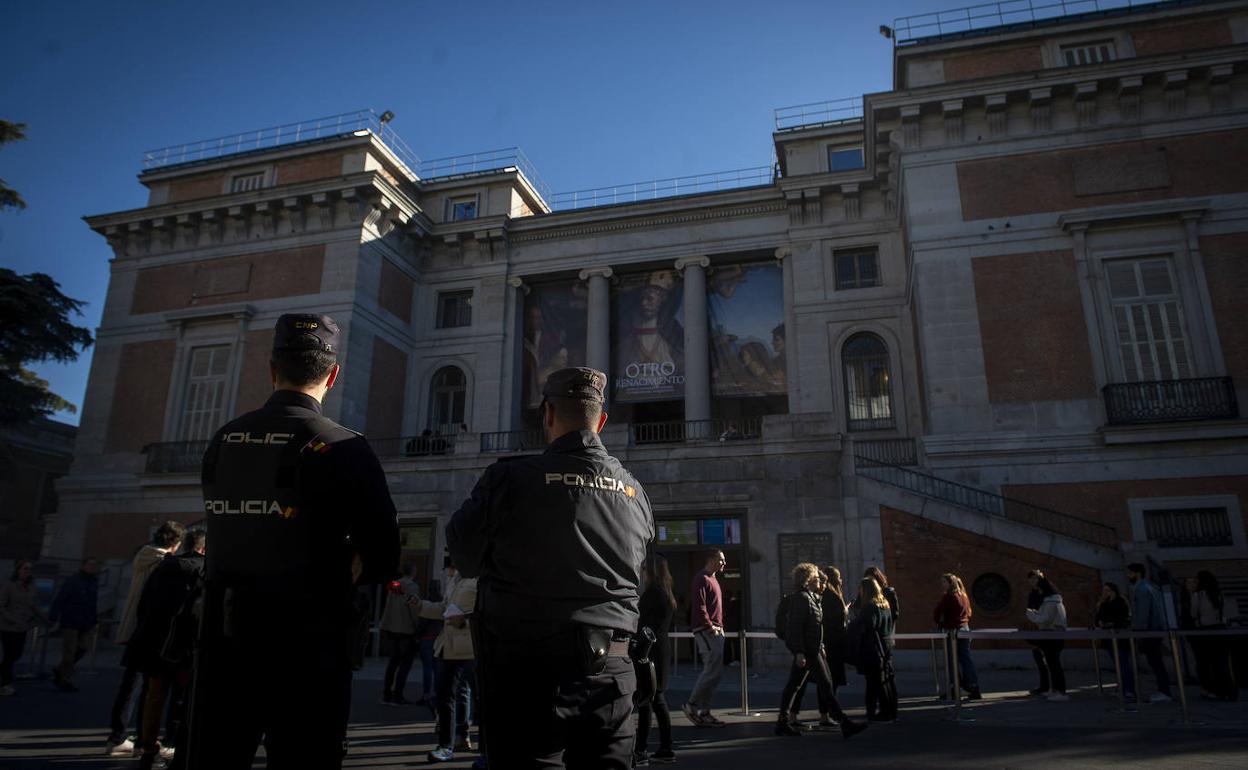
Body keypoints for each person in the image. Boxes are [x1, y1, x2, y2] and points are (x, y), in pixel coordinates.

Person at [190, 313, 400, 770]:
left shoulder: (225, 438)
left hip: (226, 641)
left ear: (272, 369)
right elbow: (384, 552)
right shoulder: (344, 445)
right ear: (333, 375)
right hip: (311, 644)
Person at [447, 367, 654, 769]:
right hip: (612, 671)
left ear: (547, 413)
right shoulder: (635, 491)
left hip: (529, 672)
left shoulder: (510, 479)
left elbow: (464, 556)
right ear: (601, 421)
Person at [125, 530, 207, 770]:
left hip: (156, 643)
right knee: (184, 700)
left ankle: (148, 748)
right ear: (202, 549)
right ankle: (178, 746)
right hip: (184, 647)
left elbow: (143, 603)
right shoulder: (202, 570)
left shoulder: (162, 568)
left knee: (154, 697)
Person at [106, 520, 187, 756]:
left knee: (132, 684)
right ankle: (141, 739)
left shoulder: (145, 555)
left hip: (135, 627)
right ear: (176, 542)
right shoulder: (165, 562)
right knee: (146, 686)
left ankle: (119, 736)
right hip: (148, 628)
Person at [776, 564, 867, 739]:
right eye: (816, 578)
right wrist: (799, 652)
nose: (819, 580)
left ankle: (782, 722)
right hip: (809, 651)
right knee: (825, 684)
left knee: (794, 685)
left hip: (813, 648)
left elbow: (815, 626)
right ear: (808, 579)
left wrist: (821, 646)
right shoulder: (802, 598)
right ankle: (844, 722)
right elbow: (796, 627)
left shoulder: (811, 597)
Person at [414, 557, 479, 763]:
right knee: (444, 698)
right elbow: (444, 608)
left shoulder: (481, 577)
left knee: (478, 699)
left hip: (470, 649)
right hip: (447, 646)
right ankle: (445, 746)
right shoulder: (457, 580)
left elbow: (490, 612)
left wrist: (465, 621)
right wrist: (421, 605)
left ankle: (485, 751)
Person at [635, 555, 677, 765]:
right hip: (661, 650)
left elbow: (643, 625)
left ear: (650, 571)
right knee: (657, 699)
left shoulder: (652, 594)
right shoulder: (666, 593)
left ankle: (641, 749)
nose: (641, 573)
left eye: (643, 569)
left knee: (646, 700)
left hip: (650, 652)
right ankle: (665, 747)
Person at [684, 549, 728, 727]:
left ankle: (705, 711)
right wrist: (710, 627)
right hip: (708, 631)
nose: (724, 563)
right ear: (711, 559)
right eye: (721, 560)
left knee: (715, 673)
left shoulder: (713, 579)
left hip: (716, 630)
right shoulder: (701, 578)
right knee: (711, 670)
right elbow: (700, 605)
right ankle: (692, 704)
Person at [49, 557, 100, 693]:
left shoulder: (94, 582)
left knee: (83, 648)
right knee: (70, 652)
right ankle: (65, 679)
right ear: (83, 566)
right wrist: (54, 615)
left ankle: (60, 670)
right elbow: (61, 597)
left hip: (86, 622)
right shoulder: (73, 580)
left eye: (94, 565)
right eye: (90, 564)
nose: (92, 567)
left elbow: (93, 603)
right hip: (71, 620)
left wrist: (94, 620)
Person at [1186, 570, 1236, 701]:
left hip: (1205, 631)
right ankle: (1228, 690)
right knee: (1222, 663)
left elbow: (1193, 613)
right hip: (1219, 629)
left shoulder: (1198, 595)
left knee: (1206, 663)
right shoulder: (1218, 594)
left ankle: (1213, 690)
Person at [1127, 563, 1173, 704]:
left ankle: (1164, 691)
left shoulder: (1142, 589)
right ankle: (1164, 690)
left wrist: (1139, 631)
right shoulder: (1150, 587)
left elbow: (1143, 613)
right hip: (1155, 628)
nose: (1129, 576)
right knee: (1156, 661)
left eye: (1130, 573)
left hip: (1149, 630)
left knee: (1155, 661)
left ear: (1138, 573)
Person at [853, 576, 897, 723]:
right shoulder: (885, 604)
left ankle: (877, 712)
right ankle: (890, 710)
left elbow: (869, 626)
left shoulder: (870, 607)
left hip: (873, 647)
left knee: (873, 681)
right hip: (886, 644)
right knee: (885, 680)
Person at [933, 573, 982, 700]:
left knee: (952, 661)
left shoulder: (949, 596)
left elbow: (937, 613)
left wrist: (940, 619)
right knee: (966, 660)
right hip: (965, 629)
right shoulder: (963, 595)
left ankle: (955, 688)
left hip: (953, 631)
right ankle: (973, 687)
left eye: (944, 582)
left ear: (951, 583)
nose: (942, 584)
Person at [1, 559, 45, 696]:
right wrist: (12, 619)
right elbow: (1, 605)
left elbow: (35, 605)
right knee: (9, 654)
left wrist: (45, 619)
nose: (28, 571)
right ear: (18, 570)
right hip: (8, 626)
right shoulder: (9, 585)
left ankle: (4, 672)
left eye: (30, 569)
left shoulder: (32, 587)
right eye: (25, 568)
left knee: (17, 653)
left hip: (23, 626)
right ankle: (6, 683)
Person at [379, 565, 421, 706]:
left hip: (392, 628)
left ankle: (386, 694)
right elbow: (413, 608)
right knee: (405, 664)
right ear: (414, 572)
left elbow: (388, 605)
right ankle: (398, 695)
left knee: (393, 662)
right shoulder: (412, 587)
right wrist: (418, 625)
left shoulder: (394, 585)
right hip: (406, 629)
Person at [1025, 574, 1069, 702]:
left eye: (1039, 589)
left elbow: (1045, 619)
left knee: (1054, 664)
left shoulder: (1050, 601)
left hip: (1051, 634)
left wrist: (1031, 615)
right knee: (1051, 663)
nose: (1039, 592)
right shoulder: (1055, 600)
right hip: (1055, 634)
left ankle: (1060, 691)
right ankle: (1054, 689)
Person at [1094, 582, 1136, 700]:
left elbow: (1123, 618)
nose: (1105, 592)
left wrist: (1112, 623)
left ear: (1113, 591)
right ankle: (1122, 688)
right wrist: (1101, 623)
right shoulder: (1103, 603)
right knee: (1118, 664)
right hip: (1108, 637)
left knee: (1123, 663)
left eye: (1108, 590)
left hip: (1120, 637)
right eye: (1104, 590)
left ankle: (1129, 690)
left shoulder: (1120, 602)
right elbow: (1098, 618)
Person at [416, 580, 443, 707]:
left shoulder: (426, 603)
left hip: (427, 638)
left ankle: (426, 694)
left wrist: (417, 635)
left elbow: (422, 623)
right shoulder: (443, 603)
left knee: (427, 668)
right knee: (437, 669)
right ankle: (437, 695)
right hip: (439, 638)